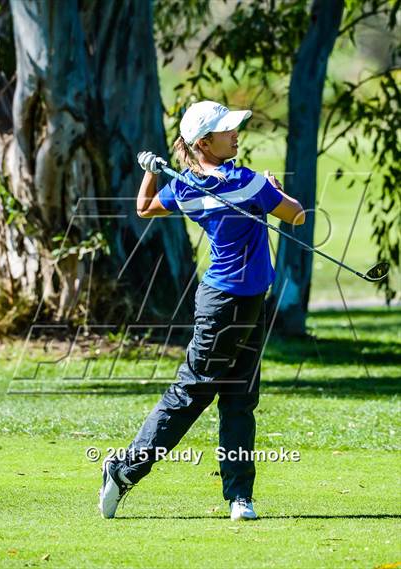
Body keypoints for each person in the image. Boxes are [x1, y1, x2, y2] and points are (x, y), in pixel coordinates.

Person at [99, 100, 305, 521]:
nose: (236, 133)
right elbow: (297, 215)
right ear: (205, 142)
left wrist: (152, 170)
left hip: (247, 301)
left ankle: (239, 497)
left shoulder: (188, 187)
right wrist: (274, 189)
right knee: (192, 393)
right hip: (225, 304)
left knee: (239, 399)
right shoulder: (247, 183)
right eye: (227, 130)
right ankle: (122, 470)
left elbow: (145, 206)